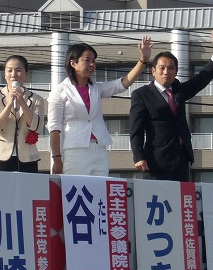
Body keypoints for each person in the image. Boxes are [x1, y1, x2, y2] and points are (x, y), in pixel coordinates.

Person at [48, 36, 153, 176]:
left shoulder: (96, 88)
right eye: (87, 60)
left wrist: (143, 60)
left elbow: (123, 83)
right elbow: (54, 127)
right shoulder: (60, 91)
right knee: (76, 187)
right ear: (73, 63)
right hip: (75, 149)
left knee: (100, 187)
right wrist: (56, 158)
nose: (92, 64)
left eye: (93, 61)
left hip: (99, 149)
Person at [129, 28, 213, 182]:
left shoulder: (179, 90)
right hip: (155, 162)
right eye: (162, 68)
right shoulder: (142, 94)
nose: (166, 72)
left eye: (171, 68)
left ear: (176, 71)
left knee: (182, 197)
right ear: (153, 71)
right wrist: (138, 156)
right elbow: (136, 130)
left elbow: (202, 78)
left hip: (181, 160)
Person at [0, 55, 45, 172]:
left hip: (27, 156)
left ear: (26, 74)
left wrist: (22, 102)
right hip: (0, 156)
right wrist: (9, 104)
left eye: (18, 70)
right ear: (4, 74)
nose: (13, 74)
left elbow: (36, 126)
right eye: (9, 70)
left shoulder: (37, 99)